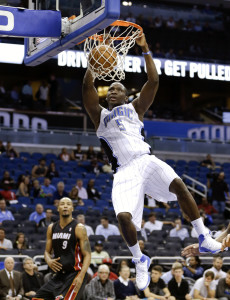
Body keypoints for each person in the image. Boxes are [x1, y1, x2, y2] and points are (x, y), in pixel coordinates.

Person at [82, 31, 222, 291]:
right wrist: (94, 64)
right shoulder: (100, 117)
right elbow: (87, 90)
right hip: (124, 171)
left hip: (146, 159)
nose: (112, 91)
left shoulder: (135, 109)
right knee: (124, 217)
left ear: (126, 96)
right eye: (110, 89)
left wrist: (145, 49)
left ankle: (203, 235)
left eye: (117, 89)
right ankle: (139, 259)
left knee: (180, 185)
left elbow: (154, 81)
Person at [32, 197, 91, 299]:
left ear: (72, 208)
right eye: (62, 204)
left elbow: (88, 255)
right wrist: (49, 260)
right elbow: (47, 251)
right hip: (59, 275)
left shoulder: (79, 228)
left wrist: (81, 276)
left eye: (68, 204)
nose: (65, 206)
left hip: (75, 273)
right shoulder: (52, 227)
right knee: (37, 298)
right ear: (58, 208)